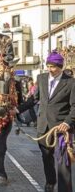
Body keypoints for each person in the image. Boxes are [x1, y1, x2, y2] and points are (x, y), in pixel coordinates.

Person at [34, 51, 75, 192]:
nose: (50, 69)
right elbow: (34, 99)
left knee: (64, 162)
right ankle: (50, 181)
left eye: (53, 67)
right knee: (46, 158)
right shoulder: (41, 78)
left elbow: (74, 106)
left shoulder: (70, 82)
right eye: (48, 66)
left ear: (61, 66)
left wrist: (68, 122)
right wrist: (18, 110)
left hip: (62, 129)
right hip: (43, 127)